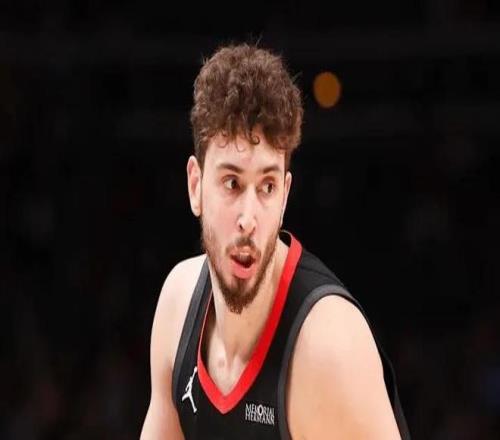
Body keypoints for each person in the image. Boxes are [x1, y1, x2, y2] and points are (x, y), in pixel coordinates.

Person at [140, 42, 410, 439]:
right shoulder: (178, 306)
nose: (248, 219)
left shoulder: (329, 348)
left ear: (284, 196)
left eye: (266, 187)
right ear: (195, 186)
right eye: (231, 183)